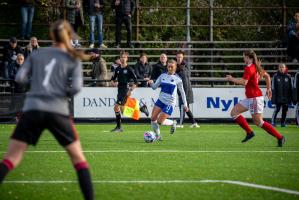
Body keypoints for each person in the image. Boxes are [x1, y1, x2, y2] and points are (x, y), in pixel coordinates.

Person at [0, 20, 94, 200]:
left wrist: (36, 86)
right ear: (68, 36)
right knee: (78, 159)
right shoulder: (72, 57)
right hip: (57, 110)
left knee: (11, 158)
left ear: (51, 36)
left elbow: (19, 77)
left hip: (33, 109)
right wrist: (59, 90)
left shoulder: (37, 54)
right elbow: (76, 88)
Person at [226, 50, 285, 147]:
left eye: (244, 56)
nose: (243, 58)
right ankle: (249, 132)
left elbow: (244, 82)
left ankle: (280, 137)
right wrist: (268, 88)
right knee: (234, 112)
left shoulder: (249, 68)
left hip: (255, 98)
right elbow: (267, 76)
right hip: (251, 98)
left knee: (259, 122)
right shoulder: (256, 67)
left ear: (248, 57)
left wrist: (231, 79)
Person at [147, 59, 188, 141]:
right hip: (161, 100)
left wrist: (185, 105)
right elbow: (154, 87)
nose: (169, 68)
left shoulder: (178, 79)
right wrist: (151, 83)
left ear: (175, 67)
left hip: (170, 103)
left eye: (171, 67)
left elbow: (182, 92)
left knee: (159, 122)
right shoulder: (162, 76)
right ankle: (158, 136)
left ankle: (173, 123)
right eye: (168, 66)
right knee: (153, 118)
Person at [175, 51, 199, 128]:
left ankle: (180, 124)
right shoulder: (177, 66)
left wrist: (183, 93)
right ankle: (194, 123)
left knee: (182, 106)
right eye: (178, 57)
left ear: (182, 58)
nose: (179, 58)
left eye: (180, 57)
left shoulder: (183, 68)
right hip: (184, 91)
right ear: (176, 57)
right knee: (186, 108)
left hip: (185, 91)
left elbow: (185, 83)